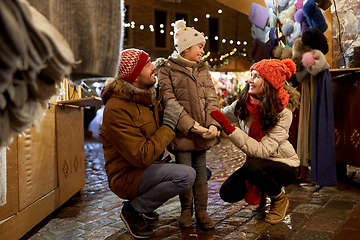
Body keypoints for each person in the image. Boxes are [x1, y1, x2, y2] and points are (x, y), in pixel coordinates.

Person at [99, 48, 196, 239]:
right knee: (186, 176)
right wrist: (168, 125)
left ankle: (144, 203)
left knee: (202, 172)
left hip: (150, 166)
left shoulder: (145, 97)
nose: (153, 67)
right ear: (134, 76)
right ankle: (133, 209)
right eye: (147, 64)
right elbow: (141, 155)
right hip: (127, 175)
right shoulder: (116, 110)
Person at [211, 58, 300, 224]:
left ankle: (279, 199)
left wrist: (230, 130)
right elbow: (222, 115)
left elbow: (263, 151)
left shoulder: (282, 111)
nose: (250, 80)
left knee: (252, 166)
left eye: (257, 76)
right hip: (258, 165)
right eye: (251, 75)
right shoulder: (245, 104)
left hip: (284, 165)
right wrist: (205, 123)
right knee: (227, 192)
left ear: (269, 82)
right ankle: (262, 189)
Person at [157, 20, 221, 230]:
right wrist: (192, 126)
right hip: (183, 132)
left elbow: (212, 98)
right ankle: (186, 210)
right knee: (185, 171)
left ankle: (202, 210)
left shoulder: (202, 70)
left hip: (203, 132)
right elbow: (170, 102)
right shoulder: (167, 70)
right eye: (200, 46)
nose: (203, 51)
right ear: (186, 48)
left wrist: (212, 123)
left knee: (200, 169)